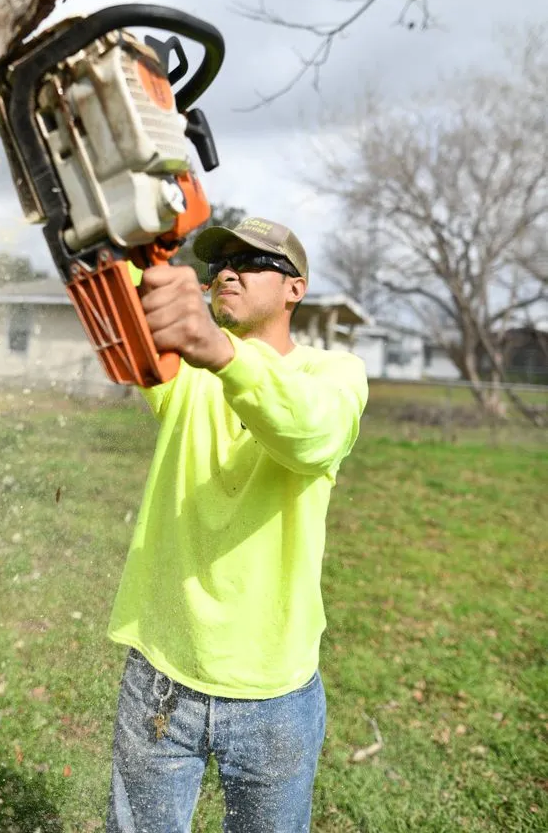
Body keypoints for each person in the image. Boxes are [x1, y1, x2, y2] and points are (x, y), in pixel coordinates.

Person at [105, 217, 368, 832]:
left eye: (252, 263)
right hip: (161, 681)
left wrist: (223, 354)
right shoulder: (185, 375)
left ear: (295, 289)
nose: (227, 272)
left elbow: (311, 435)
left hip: (274, 696)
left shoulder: (335, 374)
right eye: (220, 263)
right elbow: (123, 276)